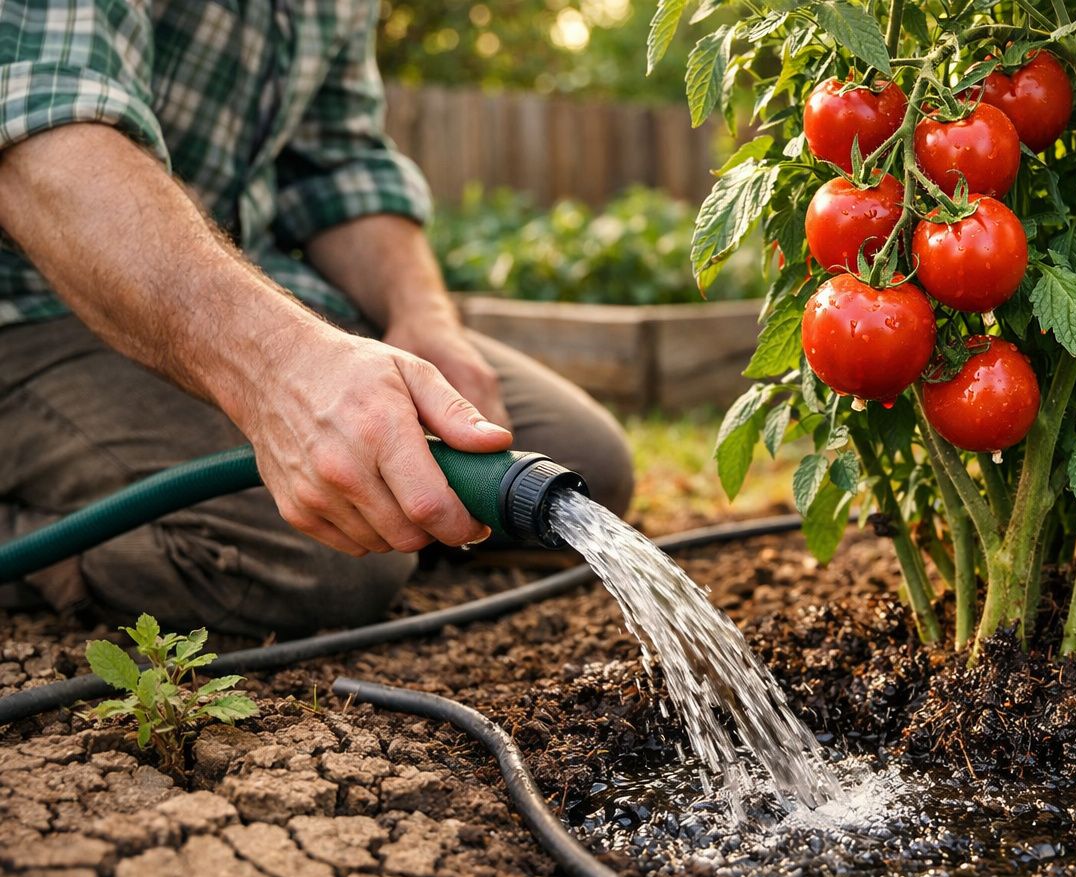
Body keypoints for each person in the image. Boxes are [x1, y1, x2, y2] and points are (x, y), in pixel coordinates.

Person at [0, 2, 634, 638]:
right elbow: (42, 136)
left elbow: (340, 167)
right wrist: (278, 368)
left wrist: (423, 316)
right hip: (32, 301)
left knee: (583, 462)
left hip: (240, 285)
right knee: (313, 559)